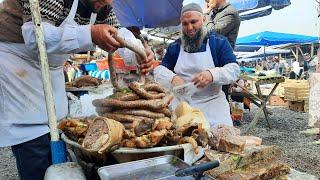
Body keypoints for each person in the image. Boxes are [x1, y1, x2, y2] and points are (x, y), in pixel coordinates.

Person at [0, 0, 154, 179]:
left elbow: (118, 34)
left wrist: (136, 51)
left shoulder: (103, 4)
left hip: (53, 67)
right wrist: (89, 34)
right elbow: (36, 36)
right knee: (32, 132)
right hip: (16, 61)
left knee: (60, 127)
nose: (105, 2)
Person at [154, 3, 240, 127]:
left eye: (193, 22)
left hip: (213, 107)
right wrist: (172, 78)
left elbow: (234, 70)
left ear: (203, 20)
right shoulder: (175, 47)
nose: (189, 28)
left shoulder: (219, 43)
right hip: (182, 107)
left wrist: (212, 74)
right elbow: (159, 70)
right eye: (185, 24)